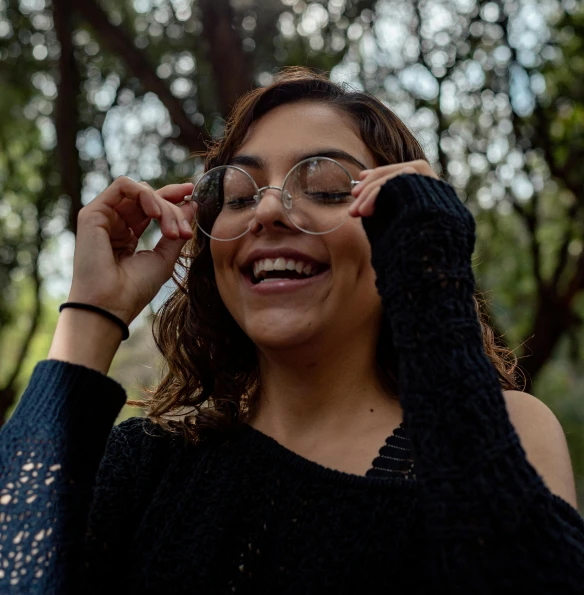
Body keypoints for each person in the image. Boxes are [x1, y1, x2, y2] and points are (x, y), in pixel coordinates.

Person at [0, 67, 583, 594]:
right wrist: (92, 313)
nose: (268, 211)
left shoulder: (504, 435)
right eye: (238, 195)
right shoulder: (148, 463)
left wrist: (430, 284)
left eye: (328, 188)